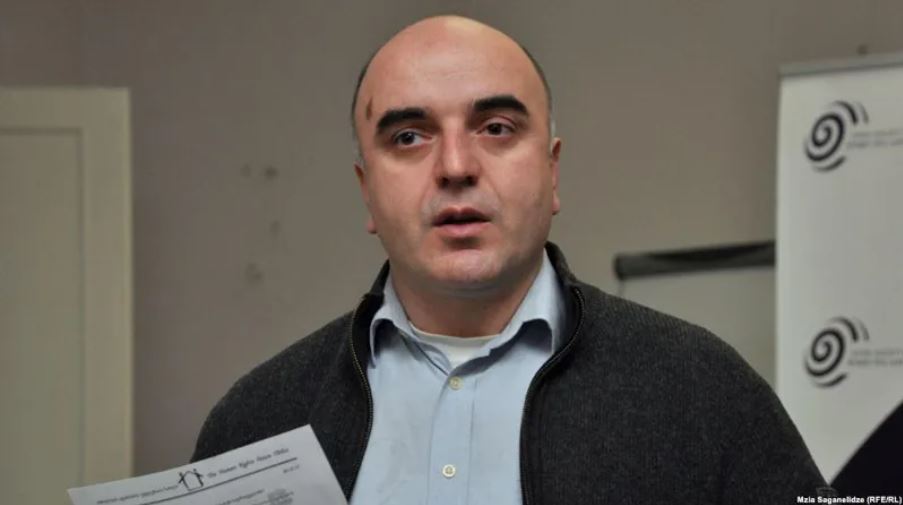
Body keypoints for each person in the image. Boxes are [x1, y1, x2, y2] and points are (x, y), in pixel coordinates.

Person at [192, 15, 830, 504]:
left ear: (552, 172)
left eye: (496, 127)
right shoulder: (258, 421)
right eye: (409, 137)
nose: (455, 167)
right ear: (367, 192)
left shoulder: (703, 391)